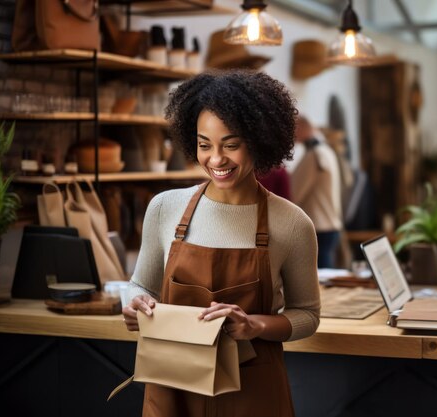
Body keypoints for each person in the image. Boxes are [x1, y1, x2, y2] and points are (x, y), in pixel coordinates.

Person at [122, 70, 320, 417]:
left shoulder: (291, 223)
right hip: (173, 385)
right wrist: (136, 302)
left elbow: (307, 315)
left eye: (231, 145)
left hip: (252, 393)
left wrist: (254, 325)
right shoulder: (165, 208)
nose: (216, 160)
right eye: (204, 145)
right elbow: (141, 285)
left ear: (259, 141)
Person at [290, 115, 343, 268]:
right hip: (328, 224)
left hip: (319, 225)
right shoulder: (325, 151)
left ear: (301, 128)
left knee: (320, 279)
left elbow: (294, 193)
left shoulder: (315, 155)